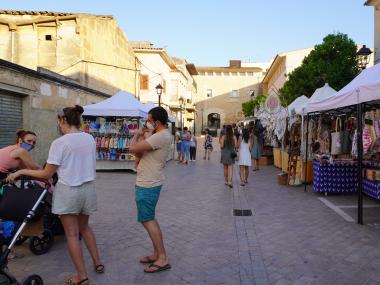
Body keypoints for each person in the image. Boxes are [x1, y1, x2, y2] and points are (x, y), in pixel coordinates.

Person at [7, 105, 103, 285]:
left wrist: (20, 173)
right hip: (88, 190)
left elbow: (46, 174)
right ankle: (98, 263)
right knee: (85, 228)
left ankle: (81, 276)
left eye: (58, 121)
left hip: (69, 192)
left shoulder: (60, 143)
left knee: (72, 234)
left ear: (63, 120)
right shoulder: (89, 138)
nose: (57, 125)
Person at [128, 107, 172, 273]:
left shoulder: (160, 136)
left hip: (148, 183)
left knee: (147, 220)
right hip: (149, 181)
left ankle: (162, 258)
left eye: (149, 120)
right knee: (149, 218)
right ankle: (157, 254)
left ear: (157, 122)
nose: (147, 123)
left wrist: (136, 134)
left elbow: (132, 149)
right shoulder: (161, 135)